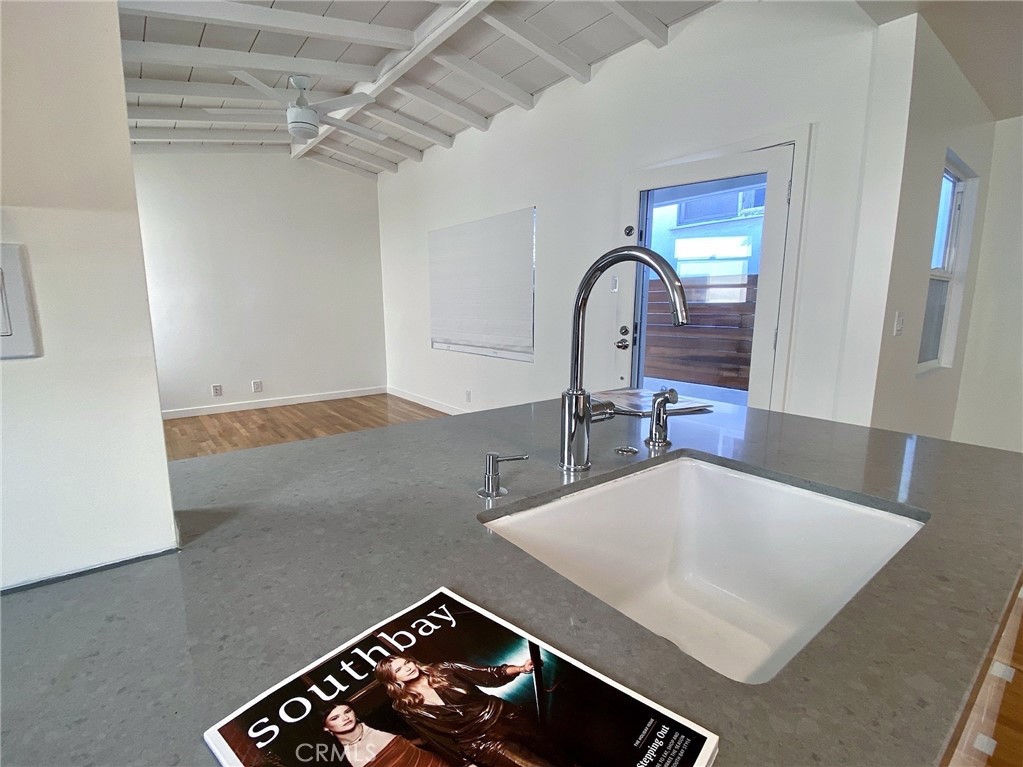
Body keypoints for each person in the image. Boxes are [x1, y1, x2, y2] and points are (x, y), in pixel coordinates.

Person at [374, 654, 559, 767]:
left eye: (407, 662)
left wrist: (520, 668)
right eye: (399, 669)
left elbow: (488, 674)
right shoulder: (404, 707)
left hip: (505, 717)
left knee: (554, 752)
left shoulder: (443, 669)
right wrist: (465, 763)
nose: (408, 668)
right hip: (479, 743)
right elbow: (435, 738)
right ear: (392, 679)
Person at [322, 701, 454, 767]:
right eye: (335, 718)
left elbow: (424, 736)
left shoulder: (379, 721)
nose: (345, 718)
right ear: (326, 728)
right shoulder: (334, 755)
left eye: (347, 711)